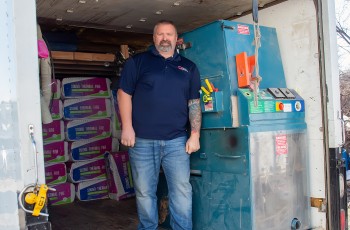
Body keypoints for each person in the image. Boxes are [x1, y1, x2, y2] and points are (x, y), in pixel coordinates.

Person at [117, 20, 202, 230]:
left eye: (169, 34)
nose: (165, 38)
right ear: (154, 38)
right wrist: (127, 127)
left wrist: (195, 135)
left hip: (176, 141)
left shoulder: (189, 67)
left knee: (181, 190)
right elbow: (123, 94)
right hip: (142, 141)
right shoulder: (137, 62)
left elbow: (194, 103)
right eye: (160, 34)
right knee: (145, 192)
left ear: (176, 39)